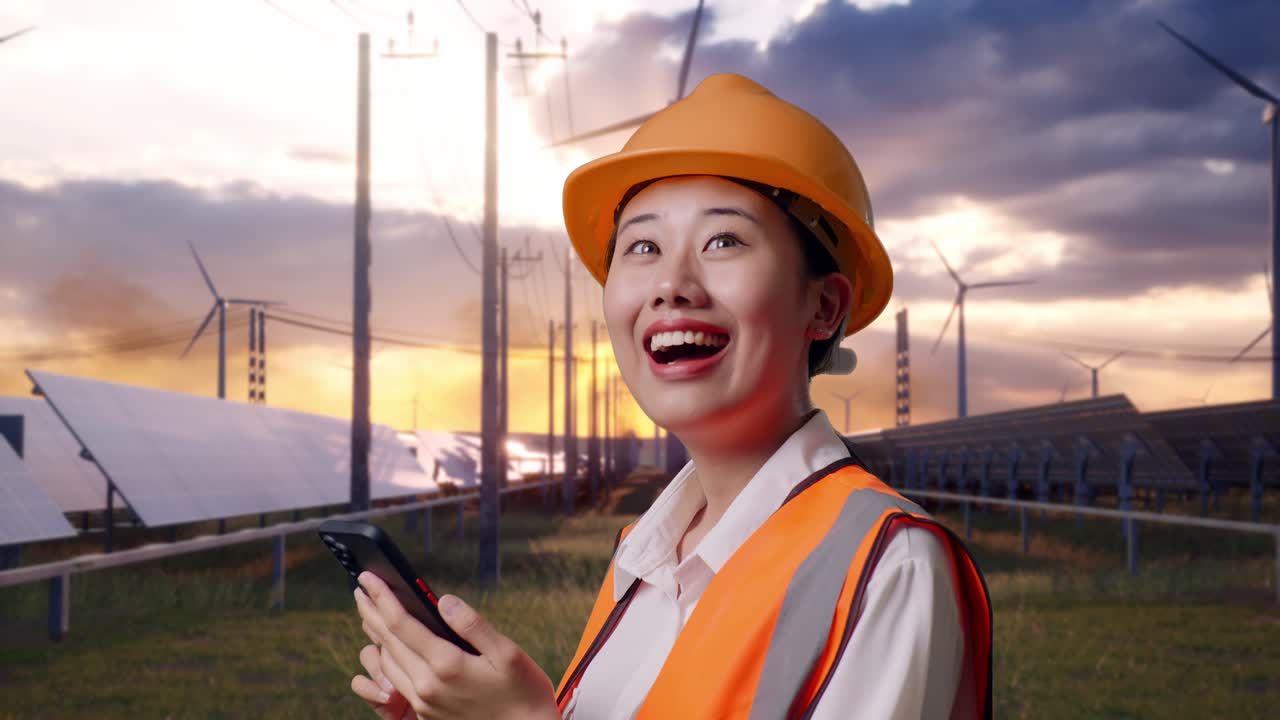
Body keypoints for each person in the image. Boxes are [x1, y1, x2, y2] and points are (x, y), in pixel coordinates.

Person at [349, 72, 992, 720]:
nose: (671, 284)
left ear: (823, 306)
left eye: (723, 241)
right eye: (643, 246)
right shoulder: (646, 557)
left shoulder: (887, 563)